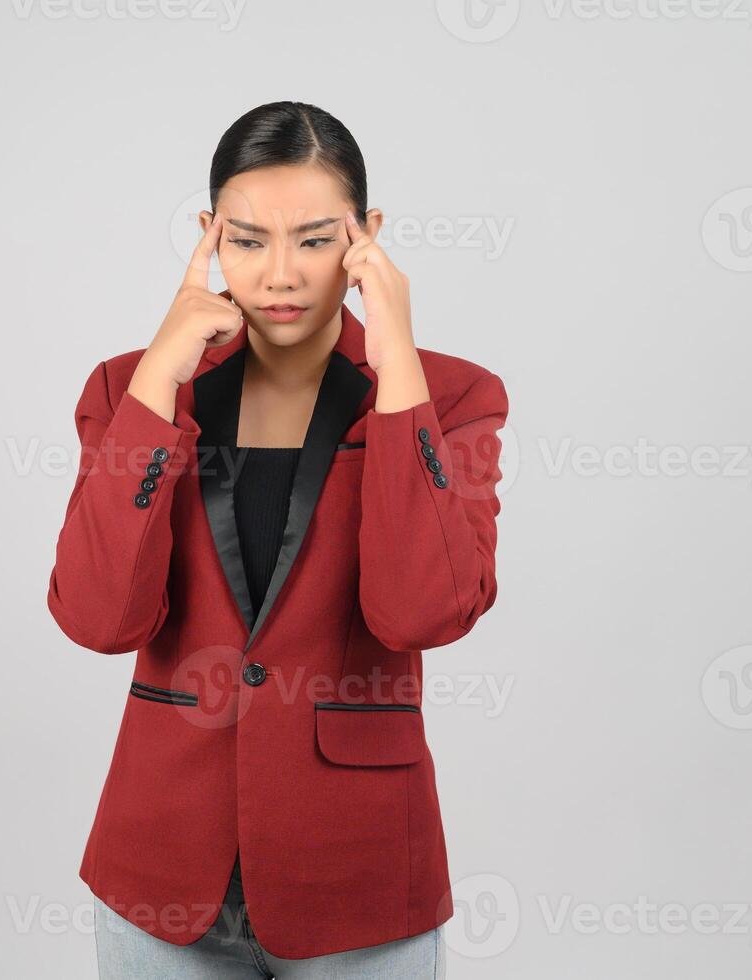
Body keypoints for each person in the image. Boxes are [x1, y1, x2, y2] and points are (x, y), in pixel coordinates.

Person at [47, 101, 509, 978]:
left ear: (366, 237)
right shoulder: (130, 391)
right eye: (248, 240)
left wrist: (397, 361)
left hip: (358, 875)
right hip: (161, 873)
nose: (278, 274)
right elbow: (98, 616)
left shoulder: (450, 397)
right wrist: (157, 378)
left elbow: (420, 611)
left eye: (314, 238)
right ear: (208, 236)